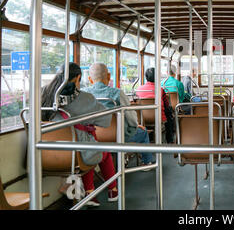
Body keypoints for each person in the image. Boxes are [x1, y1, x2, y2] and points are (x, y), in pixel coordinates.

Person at [41, 62, 117, 207]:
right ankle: (111, 190)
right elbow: (106, 121)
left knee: (87, 142)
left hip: (43, 153)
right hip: (73, 154)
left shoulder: (43, 93)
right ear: (78, 78)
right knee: (96, 147)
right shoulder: (84, 98)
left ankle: (89, 192)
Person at [83, 63, 155, 166]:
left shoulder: (85, 94)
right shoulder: (117, 93)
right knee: (143, 133)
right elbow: (130, 116)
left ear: (90, 79)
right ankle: (147, 162)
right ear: (108, 76)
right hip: (118, 135)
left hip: (93, 136)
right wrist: (135, 125)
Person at [136, 68, 175, 143]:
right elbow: (166, 104)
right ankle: (169, 140)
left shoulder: (139, 89)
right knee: (169, 114)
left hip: (142, 118)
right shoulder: (160, 89)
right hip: (159, 118)